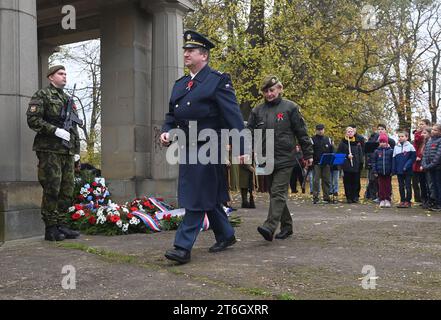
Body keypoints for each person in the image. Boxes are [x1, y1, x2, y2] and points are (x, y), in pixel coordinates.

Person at [160, 31, 246, 264]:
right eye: (185, 50)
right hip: (187, 147)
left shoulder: (217, 80)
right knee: (206, 193)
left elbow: (233, 116)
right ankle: (226, 234)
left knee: (196, 195)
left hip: (210, 146)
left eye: (191, 50)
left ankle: (182, 247)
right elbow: (171, 115)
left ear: (204, 56)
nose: (186, 53)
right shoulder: (180, 85)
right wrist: (166, 131)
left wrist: (241, 146)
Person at [247, 75, 313, 241]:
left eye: (272, 90)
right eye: (266, 91)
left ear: (280, 89)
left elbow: (302, 132)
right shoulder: (257, 111)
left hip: (285, 158)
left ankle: (269, 227)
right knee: (275, 193)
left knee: (277, 192)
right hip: (265, 158)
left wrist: (308, 154)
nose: (269, 94)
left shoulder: (290, 107)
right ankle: (287, 226)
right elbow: (248, 133)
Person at [27, 65, 81, 241]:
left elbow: (73, 127)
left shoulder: (67, 98)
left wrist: (77, 150)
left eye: (66, 73)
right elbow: (33, 120)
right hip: (49, 149)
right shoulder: (42, 95)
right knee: (52, 187)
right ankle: (51, 227)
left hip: (67, 151)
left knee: (67, 188)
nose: (64, 76)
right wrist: (54, 130)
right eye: (60, 74)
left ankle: (62, 224)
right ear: (51, 77)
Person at [337, 127, 364, 203]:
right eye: (348, 132)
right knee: (347, 182)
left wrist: (361, 163)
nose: (350, 133)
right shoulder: (343, 143)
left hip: (356, 165)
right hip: (346, 166)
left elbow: (360, 154)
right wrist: (346, 156)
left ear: (354, 132)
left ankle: (355, 197)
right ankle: (349, 197)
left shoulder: (357, 142)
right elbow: (339, 154)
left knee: (356, 182)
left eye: (351, 131)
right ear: (346, 133)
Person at [392, 131, 416, 208]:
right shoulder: (396, 147)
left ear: (406, 137)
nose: (400, 138)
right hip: (399, 171)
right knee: (401, 186)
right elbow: (394, 159)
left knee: (408, 186)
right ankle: (402, 200)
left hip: (408, 171)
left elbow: (412, 158)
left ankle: (408, 201)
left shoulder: (410, 146)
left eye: (402, 136)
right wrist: (394, 170)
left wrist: (406, 166)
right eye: (399, 136)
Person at [311, 124, 333, 204]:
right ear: (316, 130)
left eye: (321, 129)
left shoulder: (328, 139)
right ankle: (315, 197)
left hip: (326, 163)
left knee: (326, 180)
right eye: (319, 129)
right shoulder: (312, 139)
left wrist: (331, 161)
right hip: (317, 163)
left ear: (324, 130)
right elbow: (310, 150)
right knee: (316, 181)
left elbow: (331, 150)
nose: (320, 131)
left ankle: (326, 197)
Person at [422, 124, 441, 211]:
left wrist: (429, 166)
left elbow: (438, 156)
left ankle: (439, 204)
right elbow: (425, 154)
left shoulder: (440, 141)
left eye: (435, 130)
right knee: (432, 186)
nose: (432, 131)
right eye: (432, 130)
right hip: (429, 168)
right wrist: (424, 164)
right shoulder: (429, 141)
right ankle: (434, 202)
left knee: (438, 185)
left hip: (437, 168)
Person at [371, 134, 394, 208]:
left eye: (384, 142)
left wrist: (392, 171)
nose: (382, 143)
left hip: (388, 172)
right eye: (381, 142)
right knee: (381, 186)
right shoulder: (376, 151)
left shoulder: (391, 151)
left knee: (387, 186)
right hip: (380, 172)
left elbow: (393, 162)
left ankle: (387, 199)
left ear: (387, 142)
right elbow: (374, 162)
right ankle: (382, 199)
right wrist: (375, 171)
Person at [412, 119, 431, 203]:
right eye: (419, 124)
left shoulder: (426, 136)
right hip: (417, 160)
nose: (420, 126)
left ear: (427, 125)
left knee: (427, 182)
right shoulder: (418, 134)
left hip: (424, 161)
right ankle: (423, 199)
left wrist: (420, 156)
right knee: (421, 181)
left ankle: (429, 199)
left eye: (422, 124)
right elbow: (416, 145)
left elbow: (423, 147)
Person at [348, 124, 365, 201]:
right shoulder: (346, 139)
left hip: (357, 161)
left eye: (353, 129)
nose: (352, 131)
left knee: (356, 180)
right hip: (348, 162)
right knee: (349, 179)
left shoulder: (360, 138)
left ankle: (356, 195)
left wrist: (361, 161)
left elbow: (362, 150)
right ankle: (350, 195)